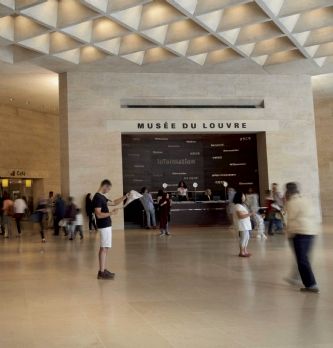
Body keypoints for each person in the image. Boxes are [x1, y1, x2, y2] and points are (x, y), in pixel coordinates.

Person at [285, 182, 319, 293]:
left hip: (299, 232)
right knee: (304, 258)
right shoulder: (306, 200)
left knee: (302, 260)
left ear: (288, 192)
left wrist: (288, 233)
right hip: (310, 231)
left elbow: (291, 218)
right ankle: (299, 277)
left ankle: (311, 284)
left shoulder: (292, 202)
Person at [93, 179, 128, 280]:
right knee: (104, 248)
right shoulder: (97, 198)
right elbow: (98, 215)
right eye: (108, 189)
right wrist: (111, 213)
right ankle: (101, 272)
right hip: (103, 225)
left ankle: (103, 269)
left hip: (106, 225)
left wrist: (125, 196)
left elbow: (113, 203)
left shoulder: (102, 197)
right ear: (105, 186)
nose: (108, 191)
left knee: (105, 248)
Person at [233, 191, 253, 257]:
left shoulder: (242, 205)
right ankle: (241, 252)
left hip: (246, 225)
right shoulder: (237, 206)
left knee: (247, 237)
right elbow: (240, 216)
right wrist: (250, 214)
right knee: (243, 238)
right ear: (240, 197)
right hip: (242, 225)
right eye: (243, 196)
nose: (244, 197)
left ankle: (245, 251)